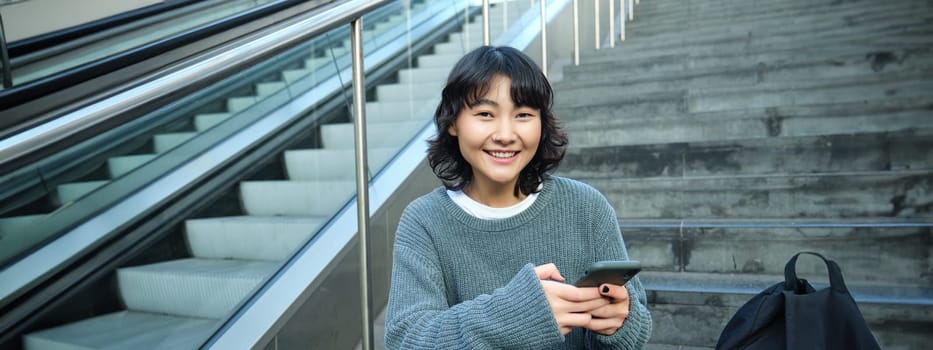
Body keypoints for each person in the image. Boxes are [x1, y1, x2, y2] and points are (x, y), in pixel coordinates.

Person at [384, 45, 652, 349]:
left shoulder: (587, 207)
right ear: (452, 123)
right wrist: (518, 314)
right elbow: (406, 340)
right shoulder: (424, 221)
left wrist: (618, 324)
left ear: (542, 123)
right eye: (485, 113)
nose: (506, 134)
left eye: (523, 114)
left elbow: (635, 330)